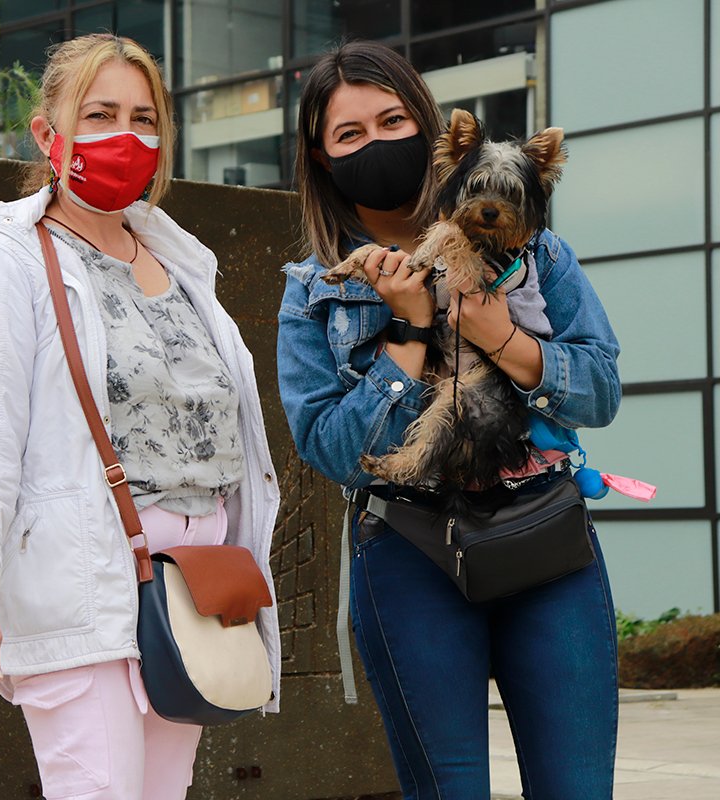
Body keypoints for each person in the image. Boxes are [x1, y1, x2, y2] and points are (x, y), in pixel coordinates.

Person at [0, 33, 281, 800]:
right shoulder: (7, 263)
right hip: (84, 584)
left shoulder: (182, 261)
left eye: (144, 116)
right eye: (101, 113)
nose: (127, 134)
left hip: (193, 592)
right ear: (47, 133)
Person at [276, 40, 622, 799]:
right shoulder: (314, 292)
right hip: (409, 554)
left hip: (546, 542)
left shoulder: (540, 258)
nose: (375, 144)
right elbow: (334, 453)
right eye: (349, 134)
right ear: (322, 158)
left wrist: (498, 333)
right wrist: (405, 331)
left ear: (432, 133)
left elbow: (599, 390)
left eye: (391, 120)